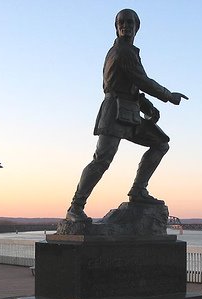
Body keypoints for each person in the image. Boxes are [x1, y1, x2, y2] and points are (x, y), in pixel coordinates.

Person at [66, 8, 188, 222]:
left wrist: (146, 106)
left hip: (129, 111)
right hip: (114, 111)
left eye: (130, 22)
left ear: (137, 27)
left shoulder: (128, 52)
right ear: (116, 27)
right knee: (102, 160)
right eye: (121, 22)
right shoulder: (122, 51)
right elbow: (142, 80)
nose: (126, 25)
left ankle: (138, 190)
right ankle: (75, 207)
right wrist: (168, 96)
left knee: (160, 144)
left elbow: (131, 84)